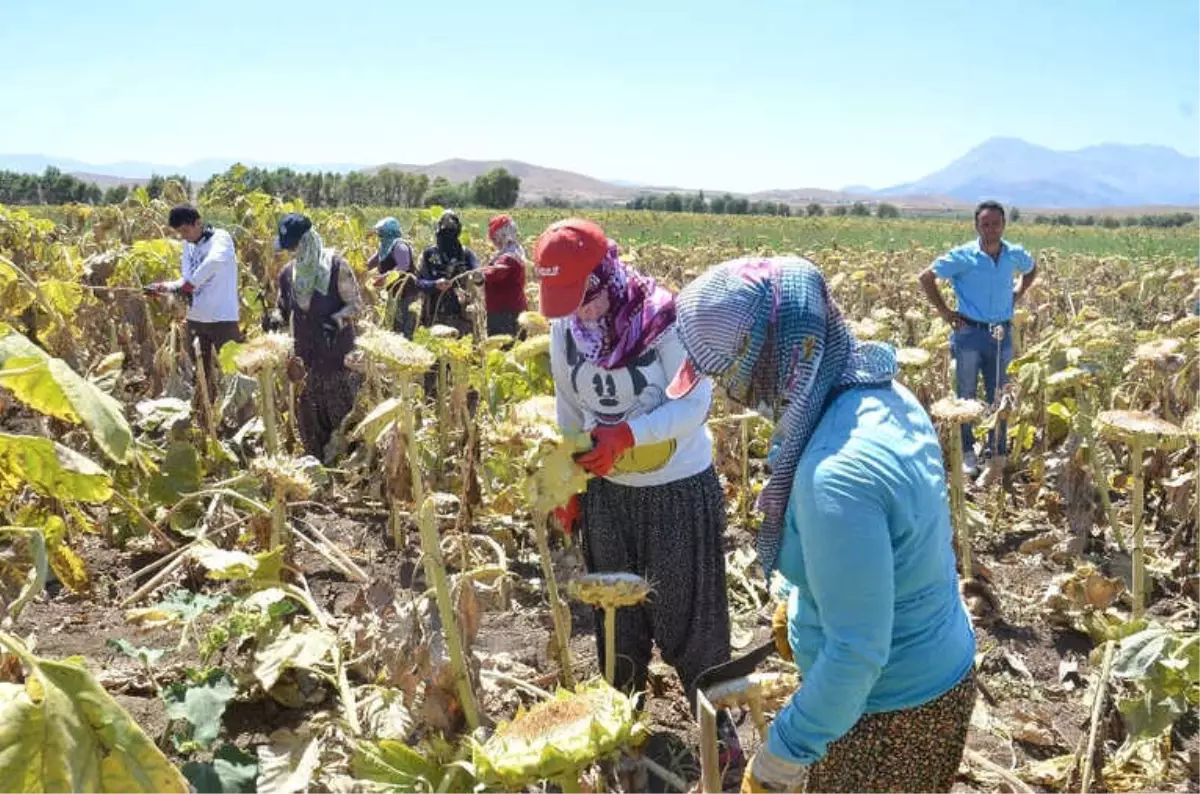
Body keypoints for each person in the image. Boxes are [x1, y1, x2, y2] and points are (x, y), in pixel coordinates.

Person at [665, 256, 977, 793]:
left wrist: (780, 757)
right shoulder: (881, 393)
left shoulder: (835, 474)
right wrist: (801, 600)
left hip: (891, 714)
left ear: (769, 362)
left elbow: (857, 653)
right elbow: (897, 551)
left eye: (728, 376)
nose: (728, 393)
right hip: (928, 672)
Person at [533, 218, 743, 774]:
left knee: (691, 621)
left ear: (607, 275)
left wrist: (628, 433)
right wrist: (569, 481)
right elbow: (569, 408)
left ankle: (717, 734)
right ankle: (624, 728)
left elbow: (694, 406)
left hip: (675, 490)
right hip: (608, 494)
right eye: (564, 304)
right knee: (615, 625)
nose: (576, 315)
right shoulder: (565, 332)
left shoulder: (668, 322)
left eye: (583, 299)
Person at [919, 200, 1037, 479]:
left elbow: (1032, 269)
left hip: (1001, 333)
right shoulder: (963, 256)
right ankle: (968, 453)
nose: (991, 228)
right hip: (969, 333)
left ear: (1003, 225)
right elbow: (925, 277)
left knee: (1000, 396)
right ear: (977, 226)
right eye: (985, 224)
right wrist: (946, 312)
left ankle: (996, 453)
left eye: (996, 223)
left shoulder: (1013, 254)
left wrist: (1019, 292)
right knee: (966, 396)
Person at [275, 213, 363, 461]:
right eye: (289, 247)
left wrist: (335, 322)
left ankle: (348, 468)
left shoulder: (336, 267)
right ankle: (318, 469)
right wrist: (274, 317)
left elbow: (356, 305)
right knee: (310, 418)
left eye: (295, 245)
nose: (292, 251)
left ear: (307, 240)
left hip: (337, 357)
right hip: (307, 358)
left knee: (343, 419)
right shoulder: (288, 273)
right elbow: (282, 307)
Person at [148, 204, 241, 401]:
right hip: (195, 319)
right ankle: (206, 420)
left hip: (222, 318)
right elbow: (186, 280)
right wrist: (165, 287)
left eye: (185, 230)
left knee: (234, 373)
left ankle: (242, 420)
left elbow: (213, 262)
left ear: (198, 222)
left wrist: (188, 286)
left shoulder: (220, 238)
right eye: (179, 232)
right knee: (200, 376)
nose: (183, 236)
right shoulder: (188, 245)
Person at [416, 210, 479, 336]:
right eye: (444, 232)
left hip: (461, 316)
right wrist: (434, 284)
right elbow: (418, 282)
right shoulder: (428, 254)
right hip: (433, 315)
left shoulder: (466, 254)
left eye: (451, 232)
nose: (447, 237)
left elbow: (479, 277)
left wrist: (476, 279)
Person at [367, 217, 419, 339]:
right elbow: (370, 263)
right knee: (393, 325)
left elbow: (403, 267)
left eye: (382, 234)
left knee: (404, 327)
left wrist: (384, 278)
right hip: (392, 293)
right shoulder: (384, 247)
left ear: (389, 233)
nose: (379, 237)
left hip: (406, 293)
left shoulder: (400, 246)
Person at [481, 215, 528, 337]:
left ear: (502, 235)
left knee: (504, 349)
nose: (493, 241)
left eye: (495, 237)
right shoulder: (515, 250)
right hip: (514, 308)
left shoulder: (508, 257)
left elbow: (495, 274)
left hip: (504, 312)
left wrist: (480, 274)